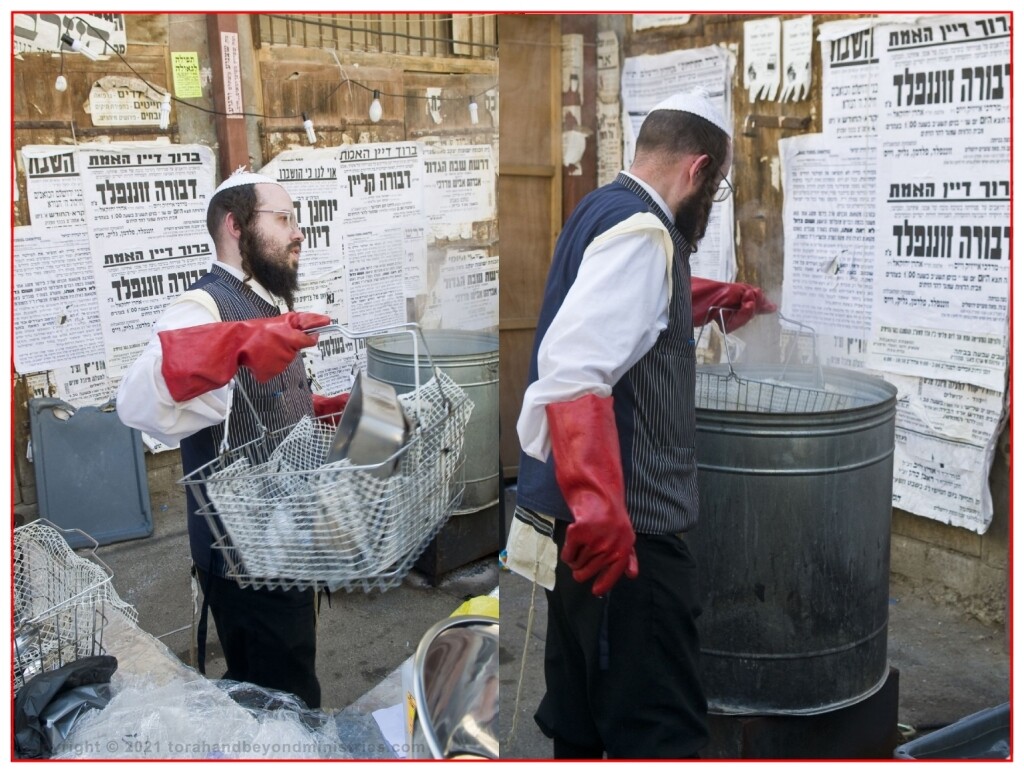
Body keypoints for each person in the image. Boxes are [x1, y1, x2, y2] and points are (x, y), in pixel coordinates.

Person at [508, 88, 777, 758]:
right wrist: (606, 510)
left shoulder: (603, 208)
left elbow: (612, 308)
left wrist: (709, 297)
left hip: (574, 533)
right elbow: (573, 371)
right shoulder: (645, 234)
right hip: (628, 546)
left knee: (583, 723)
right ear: (697, 170)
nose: (709, 206)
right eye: (713, 189)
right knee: (657, 732)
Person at [116, 169, 348, 709]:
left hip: (287, 540)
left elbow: (247, 406)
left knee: (290, 683)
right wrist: (238, 341)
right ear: (235, 225)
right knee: (282, 704)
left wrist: (316, 410)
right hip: (243, 556)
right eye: (284, 219)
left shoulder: (267, 300)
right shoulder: (201, 307)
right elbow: (137, 398)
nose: (298, 233)